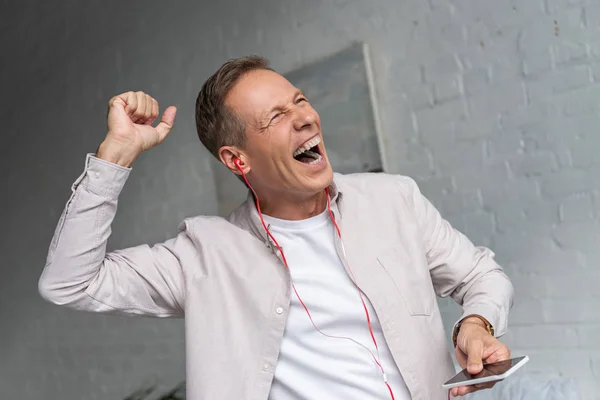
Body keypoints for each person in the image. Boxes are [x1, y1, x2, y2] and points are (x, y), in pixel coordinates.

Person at [38, 56, 514, 400]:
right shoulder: (203, 255)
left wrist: (475, 325)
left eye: (300, 101)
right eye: (277, 117)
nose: (306, 117)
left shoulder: (394, 200)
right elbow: (70, 283)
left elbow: (481, 276)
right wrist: (116, 154)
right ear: (236, 159)